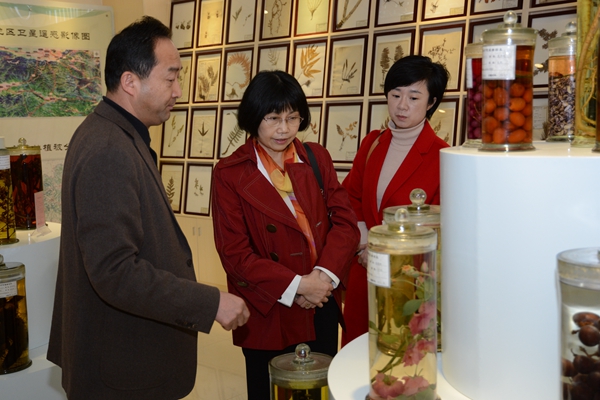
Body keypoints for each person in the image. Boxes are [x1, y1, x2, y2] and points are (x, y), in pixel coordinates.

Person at [47, 16, 249, 400]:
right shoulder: (108, 148)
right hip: (121, 373)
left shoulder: (116, 134)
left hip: (125, 362)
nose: (178, 91)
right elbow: (115, 271)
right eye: (170, 78)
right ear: (130, 82)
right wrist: (210, 302)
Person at [211, 70, 359, 399]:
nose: (284, 129)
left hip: (321, 301)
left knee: (320, 391)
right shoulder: (230, 173)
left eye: (292, 118)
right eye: (273, 118)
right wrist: (298, 286)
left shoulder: (315, 157)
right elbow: (235, 254)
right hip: (269, 309)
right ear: (254, 117)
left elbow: (345, 223)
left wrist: (322, 278)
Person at [341, 55, 450, 346]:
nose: (402, 105)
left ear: (431, 102)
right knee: (355, 351)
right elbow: (350, 196)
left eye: (413, 97)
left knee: (401, 354)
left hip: (409, 281)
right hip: (364, 268)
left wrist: (385, 251)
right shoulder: (372, 143)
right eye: (395, 94)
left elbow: (439, 228)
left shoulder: (442, 155)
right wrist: (365, 244)